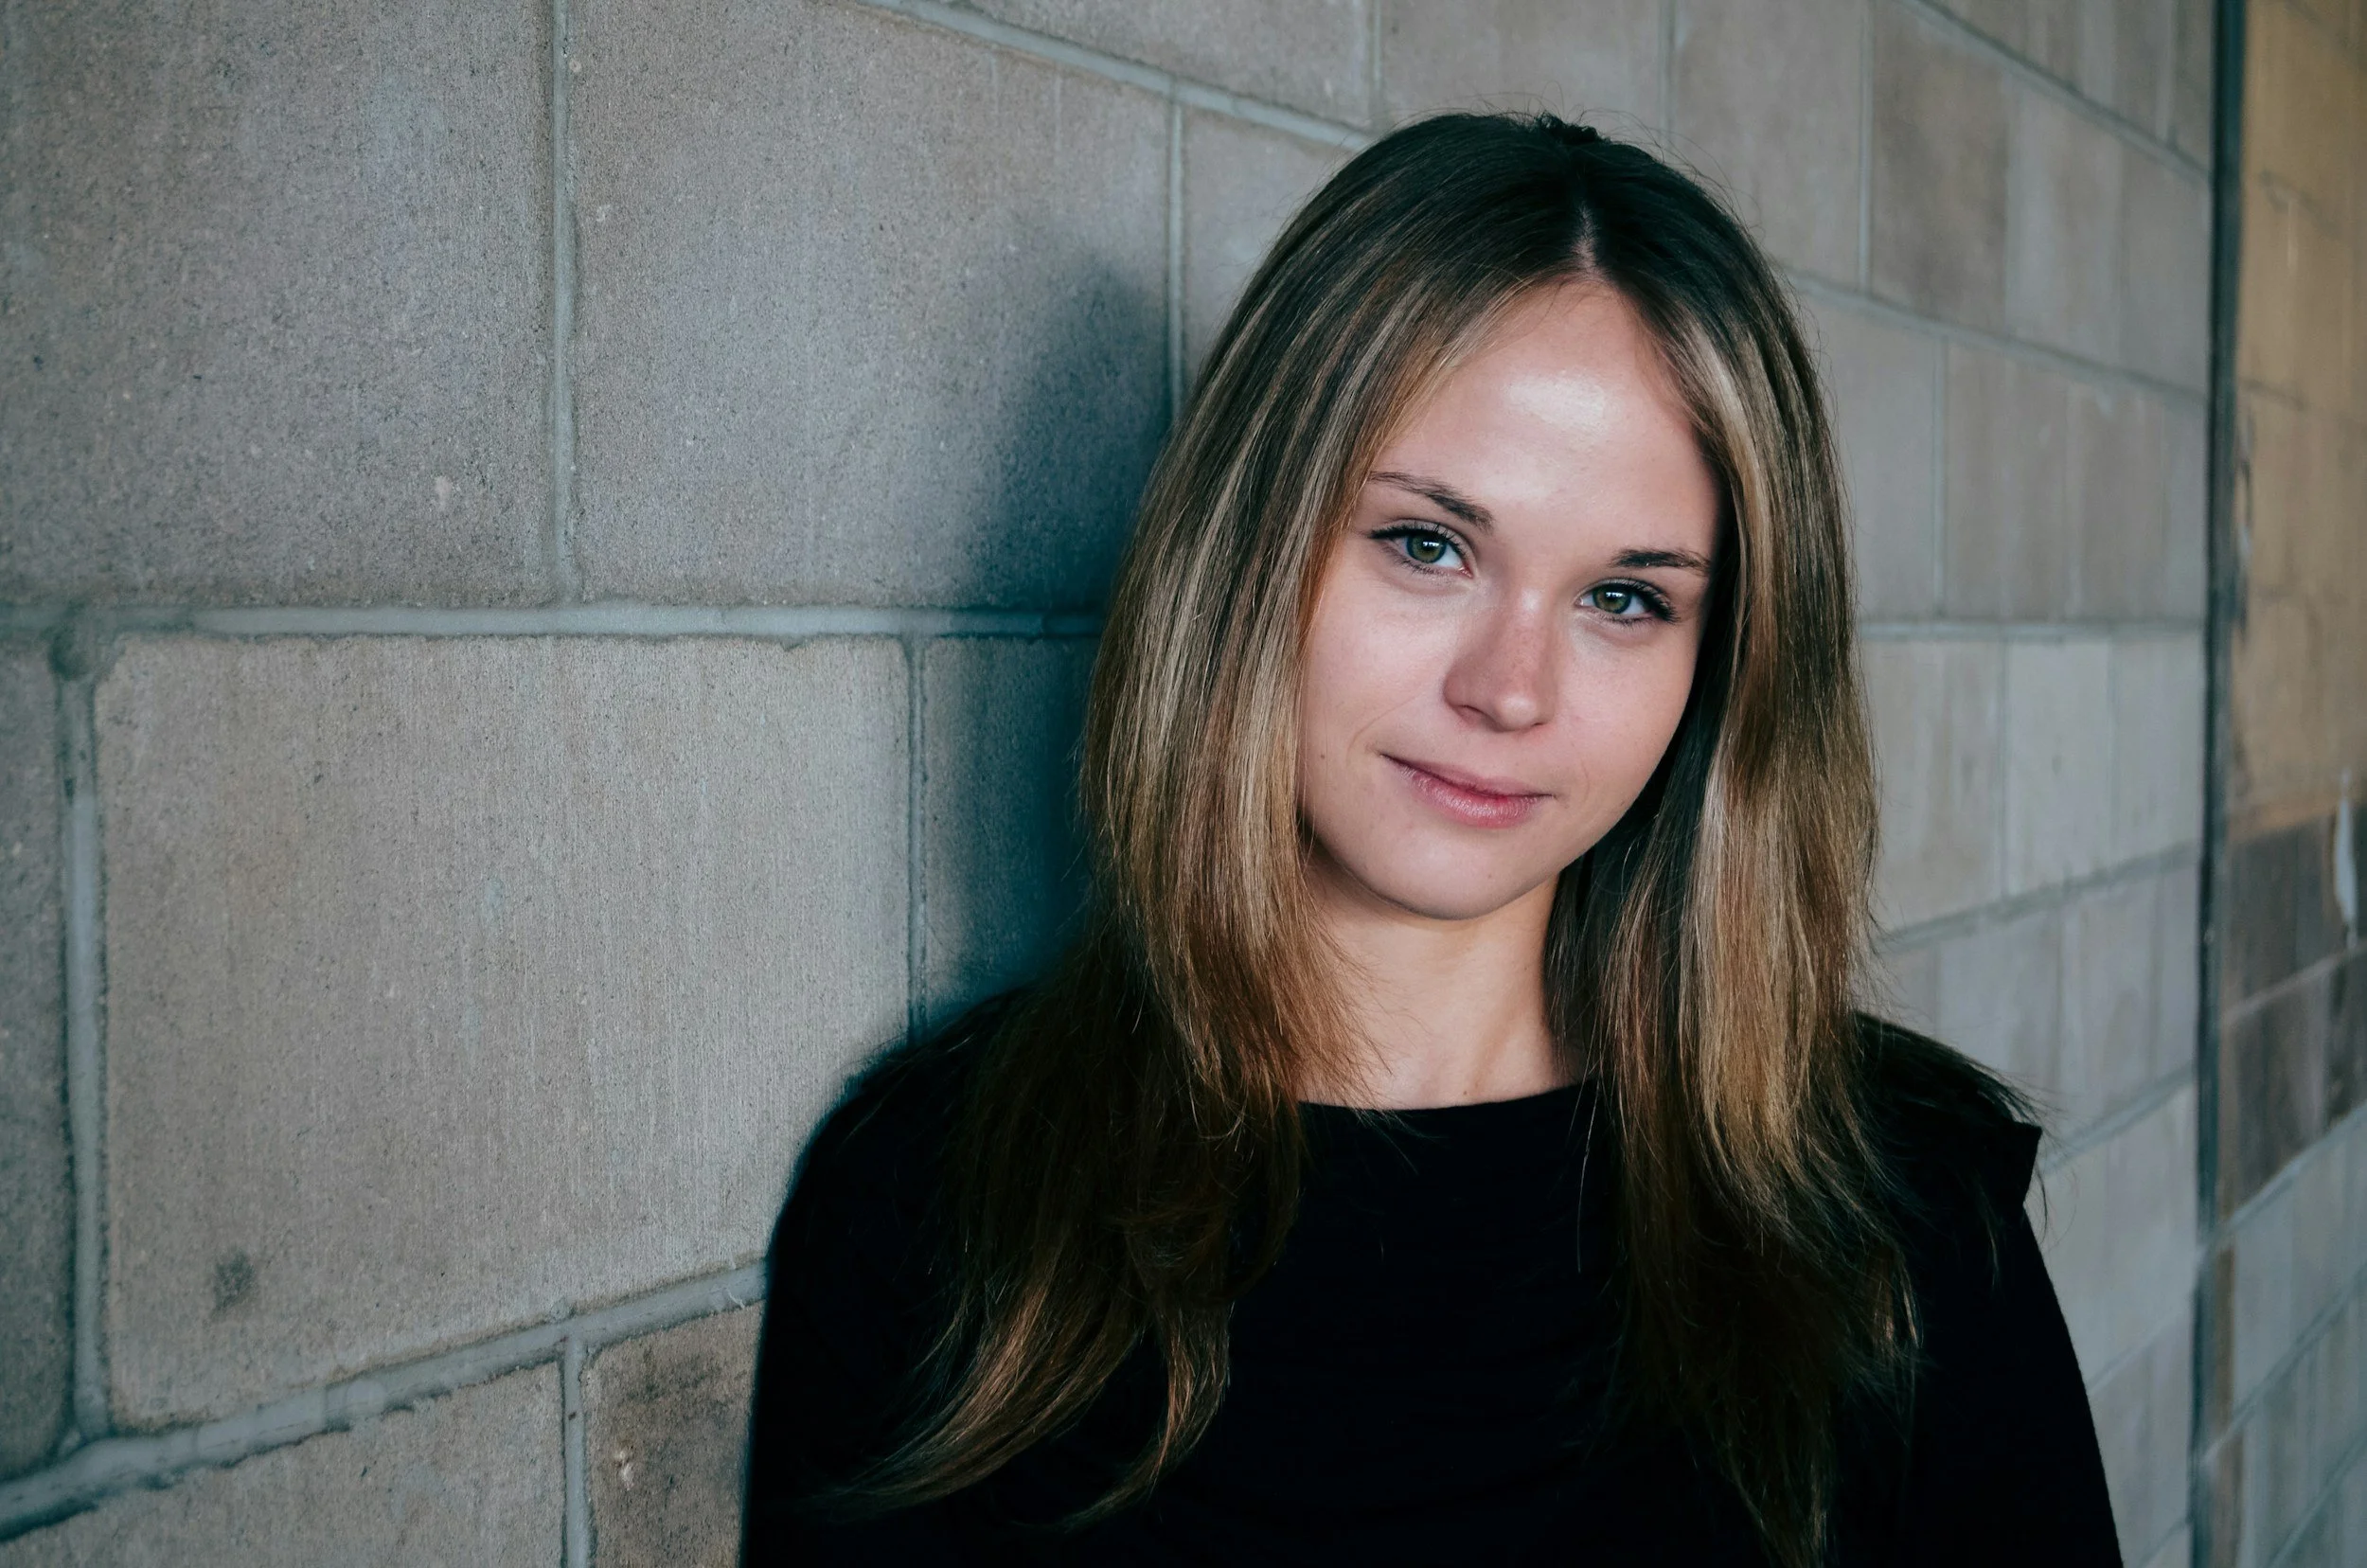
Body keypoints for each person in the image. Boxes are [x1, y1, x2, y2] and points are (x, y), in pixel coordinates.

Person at [739, 113, 2123, 1566]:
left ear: (1720, 668)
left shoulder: (1891, 1214)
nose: (1510, 690)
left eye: (1626, 600)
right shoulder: (934, 1202)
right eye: (1428, 544)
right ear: (1249, 548)